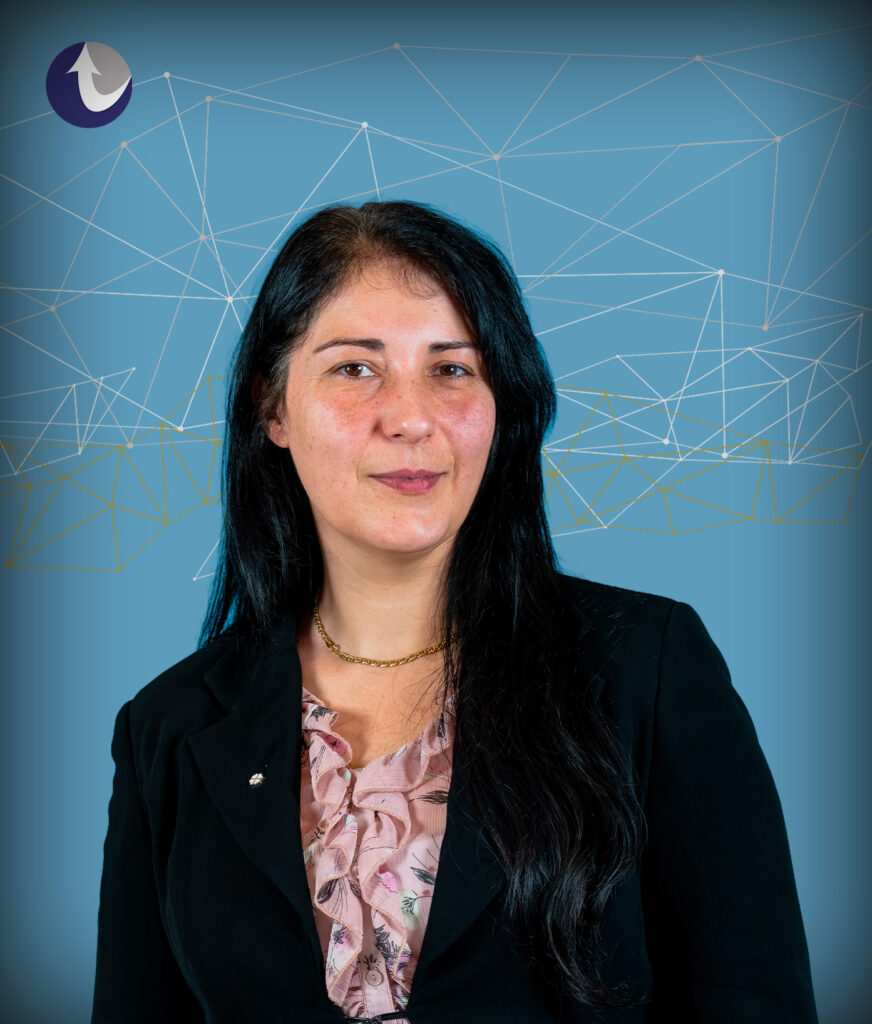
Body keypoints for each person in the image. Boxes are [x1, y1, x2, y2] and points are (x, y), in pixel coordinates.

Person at [91, 200, 818, 1024]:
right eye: (354, 368)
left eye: (452, 369)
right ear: (273, 409)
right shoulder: (169, 728)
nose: (411, 418)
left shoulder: (646, 669)